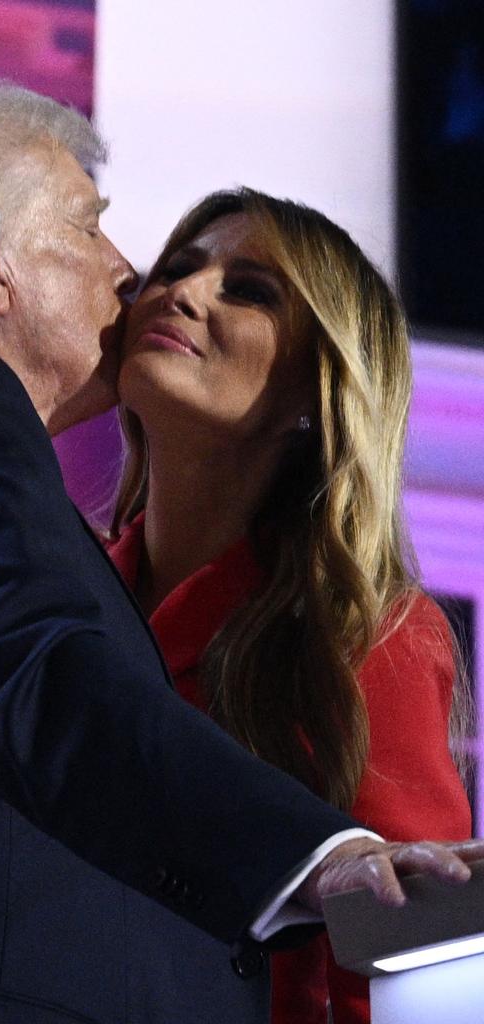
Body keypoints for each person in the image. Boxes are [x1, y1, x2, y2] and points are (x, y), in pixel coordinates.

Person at [0, 81, 480, 1024]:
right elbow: (46, 684)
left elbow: (420, 932)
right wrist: (316, 858)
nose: (138, 278)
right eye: (89, 229)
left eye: (245, 290)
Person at [108, 186, 474, 1023]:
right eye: (179, 267)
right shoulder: (61, 585)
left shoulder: (361, 630)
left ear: (315, 395)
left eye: (249, 290)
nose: (184, 293)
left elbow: (414, 950)